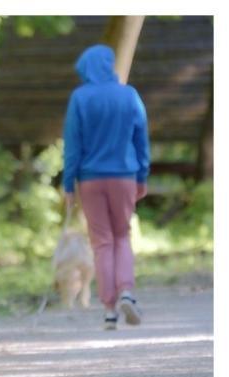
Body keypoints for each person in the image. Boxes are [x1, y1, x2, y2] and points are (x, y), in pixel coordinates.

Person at [62, 44, 151, 330]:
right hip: (124, 176)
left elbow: (73, 146)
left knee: (102, 242)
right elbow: (141, 141)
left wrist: (68, 184)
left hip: (90, 179)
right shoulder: (130, 95)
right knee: (122, 236)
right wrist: (142, 176)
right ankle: (127, 291)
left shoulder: (80, 98)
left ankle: (110, 309)